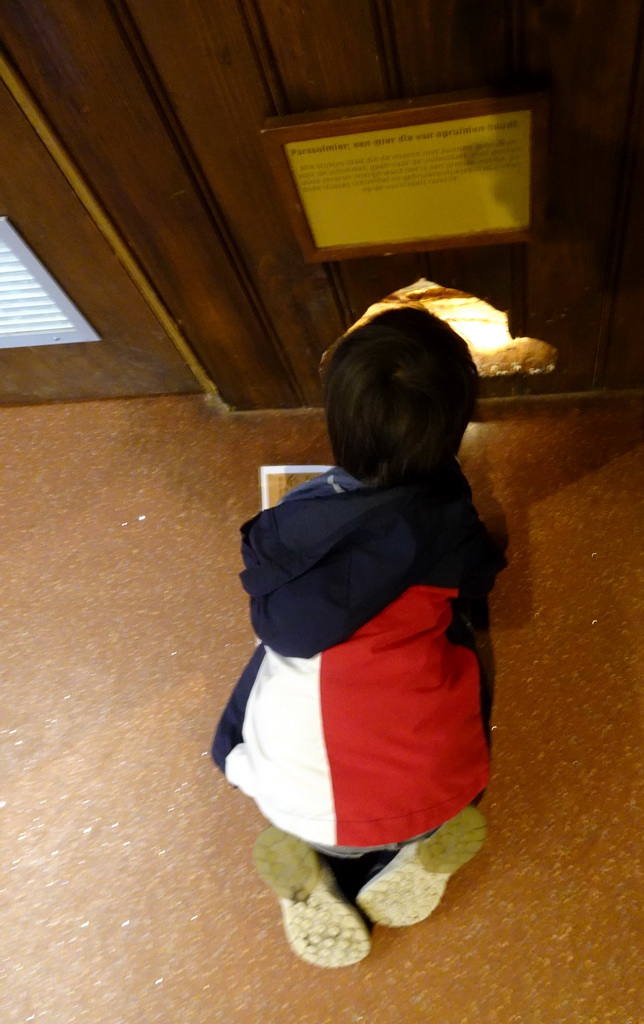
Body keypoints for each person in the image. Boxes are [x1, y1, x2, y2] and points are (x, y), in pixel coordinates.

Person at [212, 307, 505, 967]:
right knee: (466, 682)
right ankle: (412, 852)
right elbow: (482, 572)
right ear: (455, 427)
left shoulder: (291, 525)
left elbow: (267, 608)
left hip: (296, 804)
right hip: (429, 797)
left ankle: (323, 867)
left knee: (251, 702)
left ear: (337, 425)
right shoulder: (451, 526)